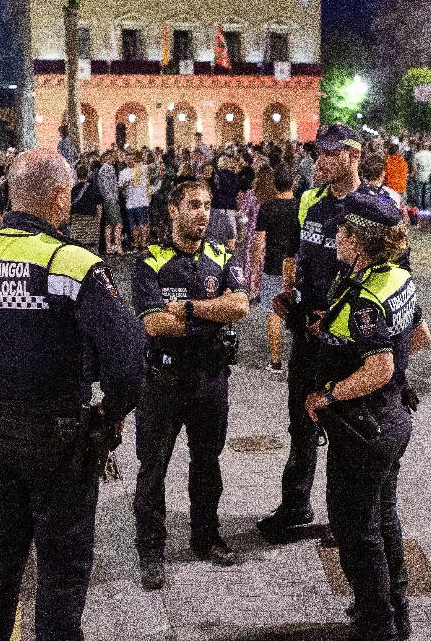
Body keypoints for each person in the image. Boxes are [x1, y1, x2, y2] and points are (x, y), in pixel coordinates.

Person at [0, 148, 145, 641]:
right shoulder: (72, 263)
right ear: (60, 198)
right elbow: (129, 358)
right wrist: (109, 412)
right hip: (61, 437)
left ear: (12, 195)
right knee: (61, 570)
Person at [303, 194, 428, 641]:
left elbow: (381, 367)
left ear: (358, 242)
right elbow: (419, 336)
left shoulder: (365, 302)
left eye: (342, 233)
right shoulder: (395, 277)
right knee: (384, 516)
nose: (335, 238)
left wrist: (328, 394)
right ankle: (396, 610)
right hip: (391, 418)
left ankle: (378, 625)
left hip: (364, 428)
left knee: (354, 527)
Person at [130, 180, 250, 591]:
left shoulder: (221, 255)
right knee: (153, 468)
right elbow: (153, 323)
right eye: (193, 205)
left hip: (209, 379)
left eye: (207, 205)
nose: (202, 213)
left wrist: (188, 309)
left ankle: (206, 536)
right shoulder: (150, 262)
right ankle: (151, 550)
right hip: (163, 381)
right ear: (174, 212)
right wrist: (211, 317)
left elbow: (241, 305)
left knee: (207, 462)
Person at [259, 124, 364, 542]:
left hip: (347, 341)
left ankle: (348, 518)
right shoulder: (309, 200)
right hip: (306, 333)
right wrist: (288, 294)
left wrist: (337, 317)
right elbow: (299, 254)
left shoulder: (371, 207)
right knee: (301, 420)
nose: (318, 161)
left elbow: (382, 276)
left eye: (328, 154)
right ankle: (295, 504)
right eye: (317, 153)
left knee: (345, 429)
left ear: (353, 156)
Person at [251, 163, 299, 373]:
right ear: (293, 183)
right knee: (300, 310)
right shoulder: (300, 207)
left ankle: (276, 360)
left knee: (274, 312)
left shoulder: (267, 207)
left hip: (273, 265)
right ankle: (299, 358)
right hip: (297, 265)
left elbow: (259, 243)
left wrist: (254, 267)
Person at [120, 151, 151, 251]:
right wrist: (126, 183)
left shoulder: (142, 169)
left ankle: (144, 245)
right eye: (128, 159)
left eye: (132, 158)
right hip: (130, 203)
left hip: (141, 201)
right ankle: (136, 245)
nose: (130, 161)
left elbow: (153, 166)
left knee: (142, 224)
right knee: (133, 226)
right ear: (125, 160)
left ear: (135, 159)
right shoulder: (123, 172)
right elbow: (121, 186)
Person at [97, 151, 122, 254]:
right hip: (111, 200)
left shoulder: (102, 169)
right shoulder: (109, 169)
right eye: (113, 157)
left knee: (109, 224)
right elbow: (110, 187)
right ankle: (117, 246)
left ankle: (109, 247)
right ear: (108, 157)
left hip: (107, 200)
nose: (115, 159)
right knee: (118, 224)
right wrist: (113, 198)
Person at [411, 142, 431, 213]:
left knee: (419, 193)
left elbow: (415, 168)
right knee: (427, 193)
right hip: (428, 176)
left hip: (419, 176)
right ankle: (426, 208)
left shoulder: (417, 155)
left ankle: (419, 209)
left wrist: (412, 176)